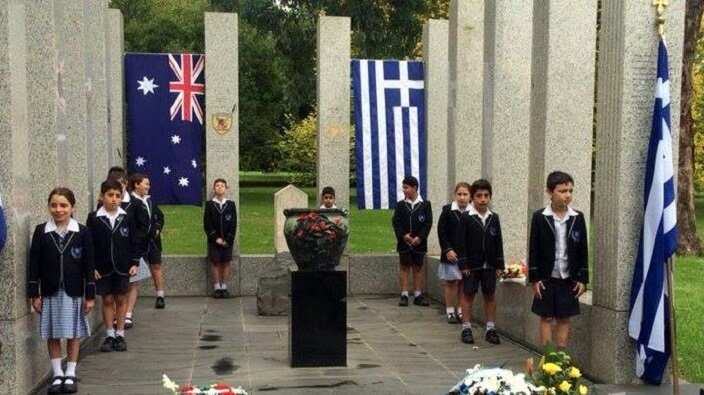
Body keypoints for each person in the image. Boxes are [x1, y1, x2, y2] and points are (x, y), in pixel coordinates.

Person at [28, 188, 95, 394]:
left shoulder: (82, 232)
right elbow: (34, 264)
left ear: (72, 207)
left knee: (74, 333)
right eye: (54, 205)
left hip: (74, 291)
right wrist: (34, 293)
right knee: (53, 334)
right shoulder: (41, 231)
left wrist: (90, 295)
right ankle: (57, 373)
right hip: (49, 291)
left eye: (64, 205)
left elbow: (88, 265)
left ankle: (71, 372)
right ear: (49, 206)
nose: (59, 210)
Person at [528, 171, 588, 349]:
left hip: (568, 278)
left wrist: (583, 279)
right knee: (546, 317)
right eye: (562, 191)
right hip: (547, 277)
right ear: (550, 192)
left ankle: (560, 358)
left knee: (564, 317)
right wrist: (535, 278)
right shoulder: (540, 217)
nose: (567, 195)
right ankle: (548, 358)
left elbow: (583, 249)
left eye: (570, 190)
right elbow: (534, 248)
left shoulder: (577, 217)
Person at [86, 180, 139, 352]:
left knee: (121, 299)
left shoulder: (127, 216)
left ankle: (120, 334)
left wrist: (134, 262)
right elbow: (89, 244)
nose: (114, 199)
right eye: (110, 195)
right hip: (102, 267)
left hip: (123, 266)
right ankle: (109, 334)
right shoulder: (94, 218)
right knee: (107, 299)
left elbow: (133, 241)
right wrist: (91, 266)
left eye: (118, 195)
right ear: (102, 197)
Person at [460, 179, 504, 345]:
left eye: (486, 195)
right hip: (471, 264)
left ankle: (490, 328)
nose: (483, 199)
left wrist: (500, 264)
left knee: (490, 295)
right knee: (468, 294)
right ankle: (466, 327)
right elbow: (461, 243)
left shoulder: (494, 218)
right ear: (472, 198)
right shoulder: (466, 218)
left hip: (490, 265)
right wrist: (463, 264)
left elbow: (498, 241)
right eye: (479, 196)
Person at [392, 176, 433, 307]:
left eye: (406, 187)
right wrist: (404, 235)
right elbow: (396, 222)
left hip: (419, 243)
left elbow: (428, 223)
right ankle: (404, 294)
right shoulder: (400, 205)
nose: (404, 190)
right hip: (404, 242)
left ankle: (418, 294)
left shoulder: (425, 205)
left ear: (414, 188)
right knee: (404, 267)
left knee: (418, 268)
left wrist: (420, 238)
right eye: (403, 187)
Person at [127, 173, 166, 312]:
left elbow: (160, 217)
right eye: (146, 184)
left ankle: (160, 295)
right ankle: (128, 309)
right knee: (135, 273)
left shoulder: (149, 200)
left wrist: (157, 228)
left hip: (153, 242)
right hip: (138, 244)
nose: (148, 187)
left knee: (156, 266)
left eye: (148, 184)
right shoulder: (130, 202)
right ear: (136, 185)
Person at [437, 182, 471, 324]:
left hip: (467, 255)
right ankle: (450, 310)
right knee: (451, 283)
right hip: (451, 254)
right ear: (454, 195)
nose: (462, 197)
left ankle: (461, 310)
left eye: (465, 194)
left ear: (470, 196)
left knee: (464, 283)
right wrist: (447, 249)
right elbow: (442, 232)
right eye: (459, 194)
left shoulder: (472, 212)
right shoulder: (447, 210)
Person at [203, 178, 238, 298]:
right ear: (214, 189)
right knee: (215, 262)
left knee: (226, 262)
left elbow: (233, 223)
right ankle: (217, 287)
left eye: (222, 186)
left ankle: (224, 286)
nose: (219, 187)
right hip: (214, 240)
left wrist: (228, 239)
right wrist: (215, 238)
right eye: (217, 186)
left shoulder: (231, 204)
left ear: (226, 188)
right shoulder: (210, 205)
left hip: (227, 240)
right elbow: (207, 224)